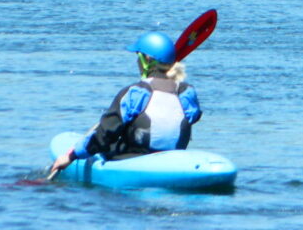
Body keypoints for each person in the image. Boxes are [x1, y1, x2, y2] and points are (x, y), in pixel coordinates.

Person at [48, 31, 202, 177]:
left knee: (108, 143)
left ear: (146, 60)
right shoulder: (187, 93)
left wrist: (72, 155)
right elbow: (193, 117)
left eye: (138, 56)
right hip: (174, 160)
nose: (137, 61)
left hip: (134, 159)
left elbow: (105, 135)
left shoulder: (135, 93)